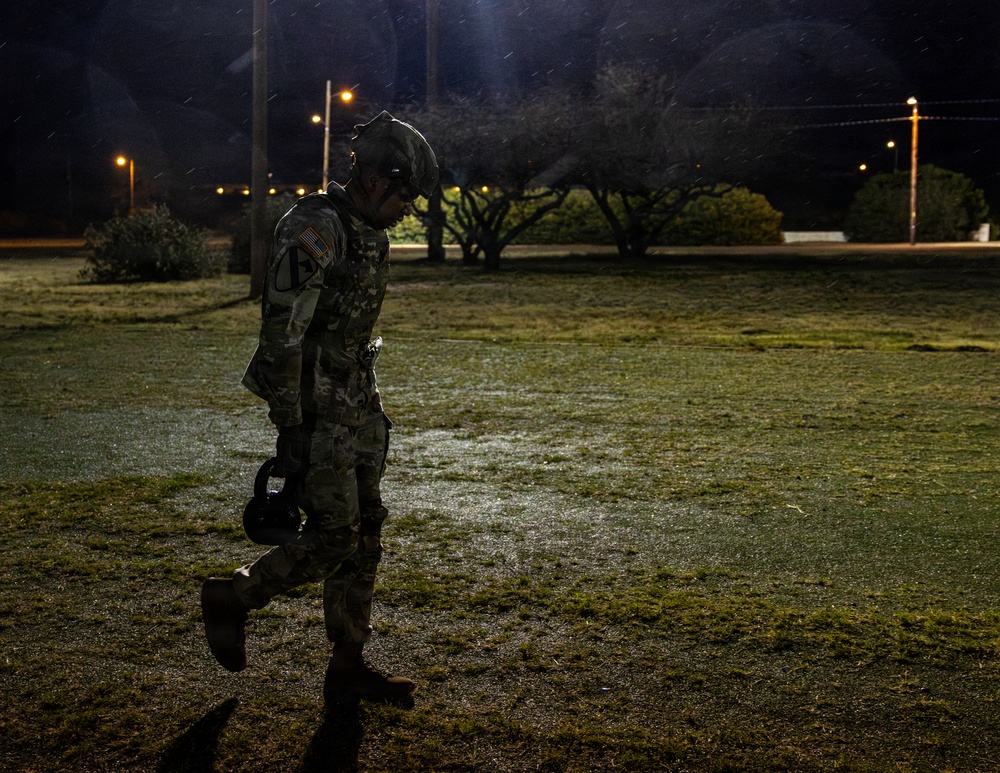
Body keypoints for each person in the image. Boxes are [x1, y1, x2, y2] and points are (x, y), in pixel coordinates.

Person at [201, 111, 438, 704]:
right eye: (405, 194)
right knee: (335, 536)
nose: (408, 208)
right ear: (377, 180)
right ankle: (234, 596)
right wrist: (290, 423)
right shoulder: (316, 226)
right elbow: (281, 330)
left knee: (366, 531)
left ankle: (348, 666)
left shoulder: (369, 231)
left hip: (359, 400)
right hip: (316, 409)